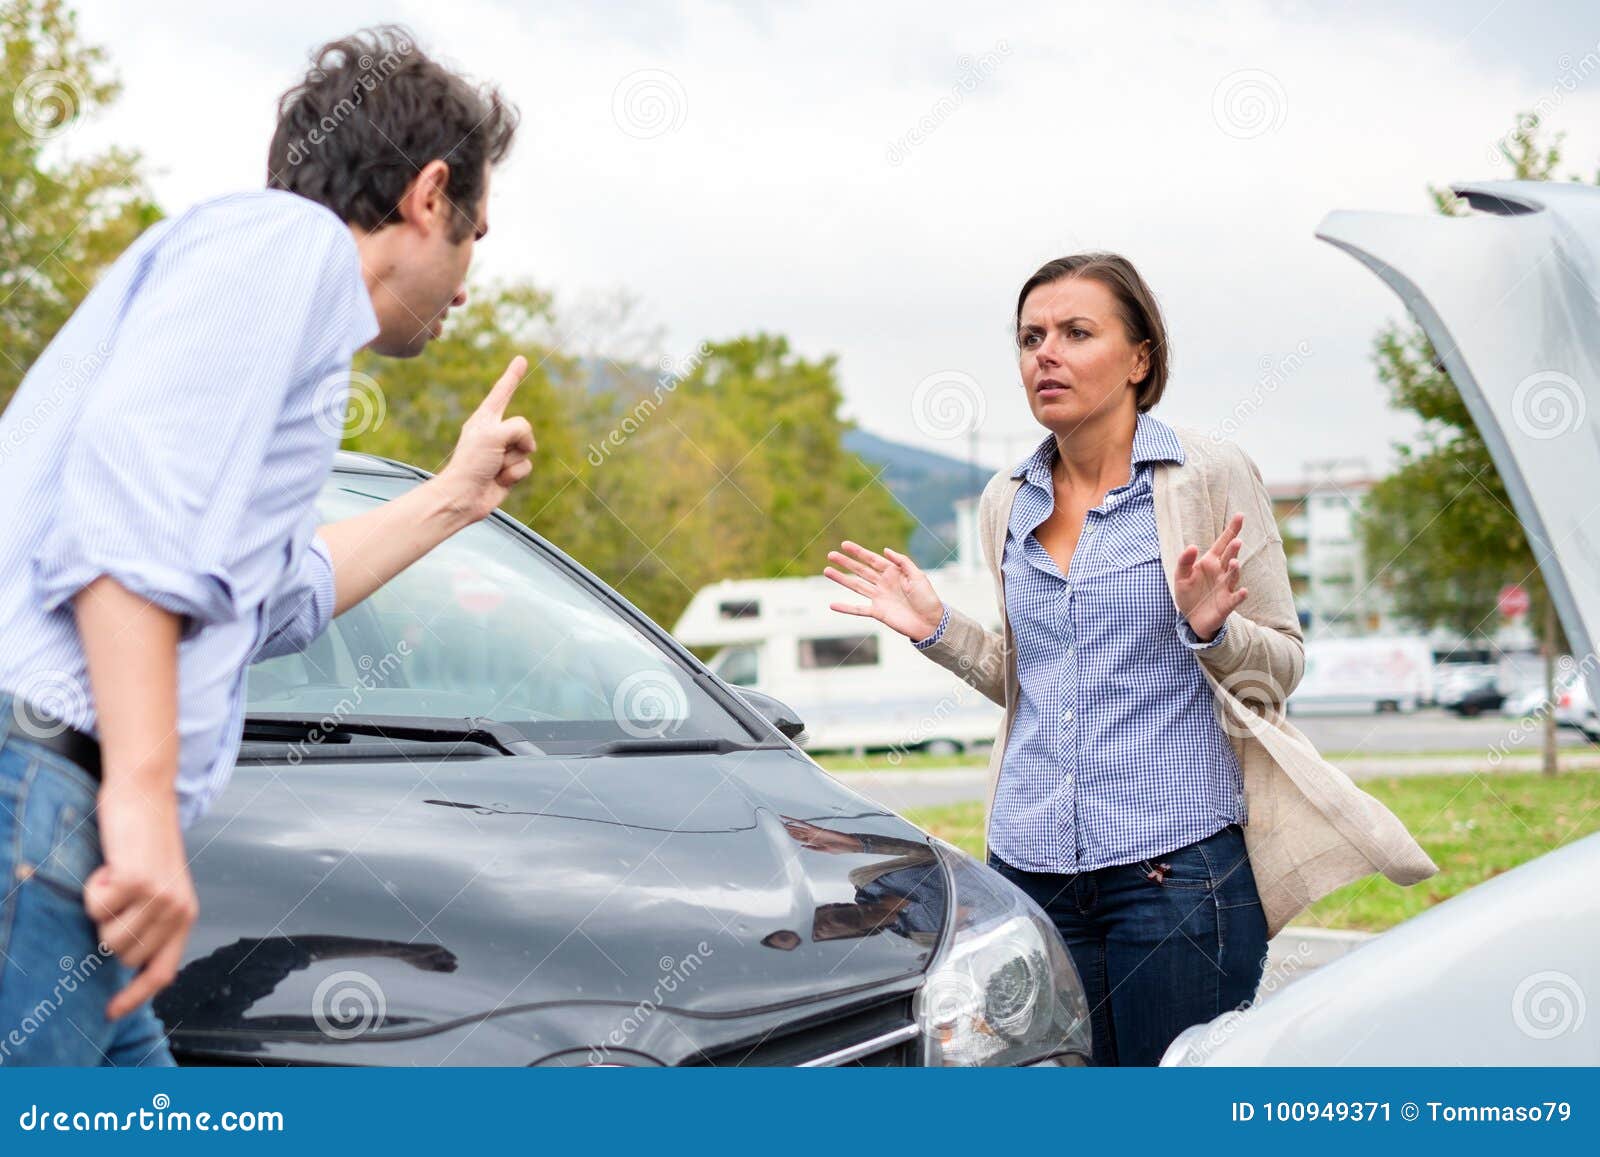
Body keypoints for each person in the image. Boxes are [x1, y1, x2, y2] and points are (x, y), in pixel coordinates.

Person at [0, 26, 530, 1066]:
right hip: (43, 791)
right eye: (475, 236)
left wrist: (456, 499)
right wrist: (143, 798)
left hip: (60, 815)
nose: (466, 285)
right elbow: (129, 512)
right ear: (430, 196)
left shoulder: (275, 304)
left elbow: (272, 602)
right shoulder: (283, 247)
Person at [824, 252, 1436, 1066]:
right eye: (1031, 336)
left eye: (1078, 332)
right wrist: (940, 628)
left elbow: (1280, 667)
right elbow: (1030, 680)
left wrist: (1212, 628)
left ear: (1140, 358)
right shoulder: (1010, 498)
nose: (1047, 353)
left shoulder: (1208, 474)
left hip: (1175, 877)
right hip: (1031, 868)